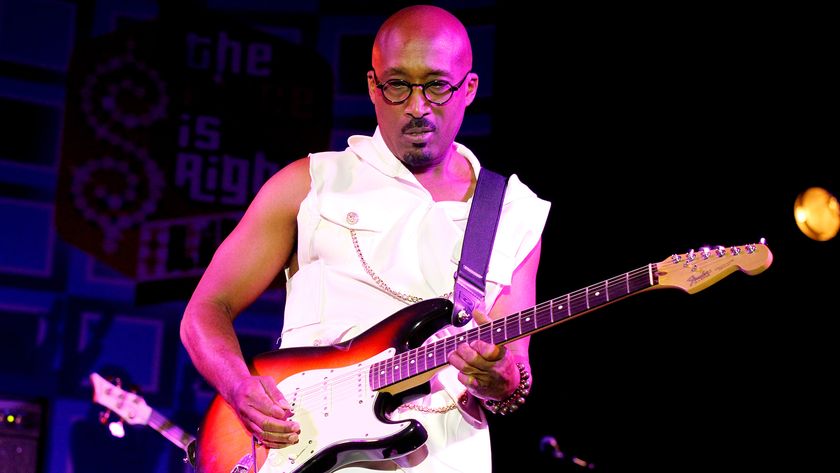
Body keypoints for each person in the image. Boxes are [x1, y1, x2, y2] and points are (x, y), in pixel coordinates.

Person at [180, 4, 550, 472]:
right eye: (398, 85)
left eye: (437, 85)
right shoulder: (310, 183)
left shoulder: (513, 211)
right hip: (300, 454)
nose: (418, 107)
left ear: (469, 88)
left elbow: (515, 373)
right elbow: (205, 311)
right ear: (373, 86)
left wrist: (502, 380)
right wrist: (238, 386)